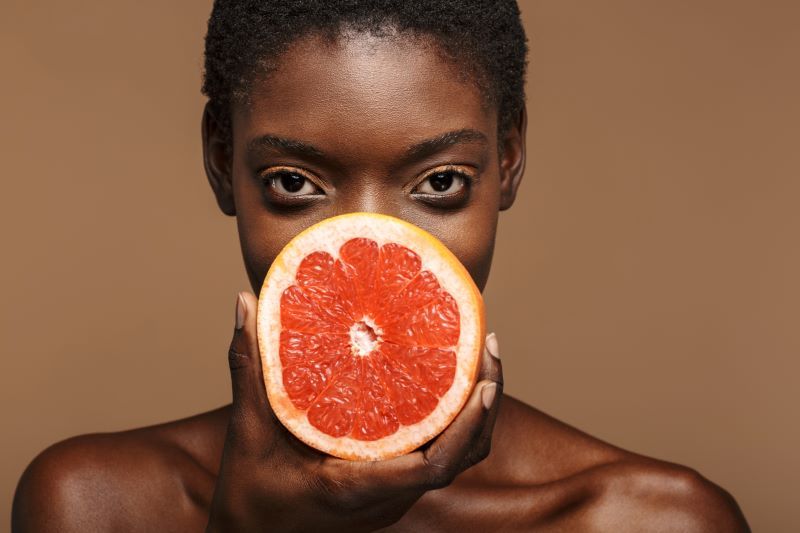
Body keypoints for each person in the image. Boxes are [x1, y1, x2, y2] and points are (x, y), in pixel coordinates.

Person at [12, 1, 750, 531]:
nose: (374, 247)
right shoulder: (94, 505)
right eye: (295, 183)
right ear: (219, 161)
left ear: (510, 159)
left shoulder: (652, 519)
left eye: (439, 183)